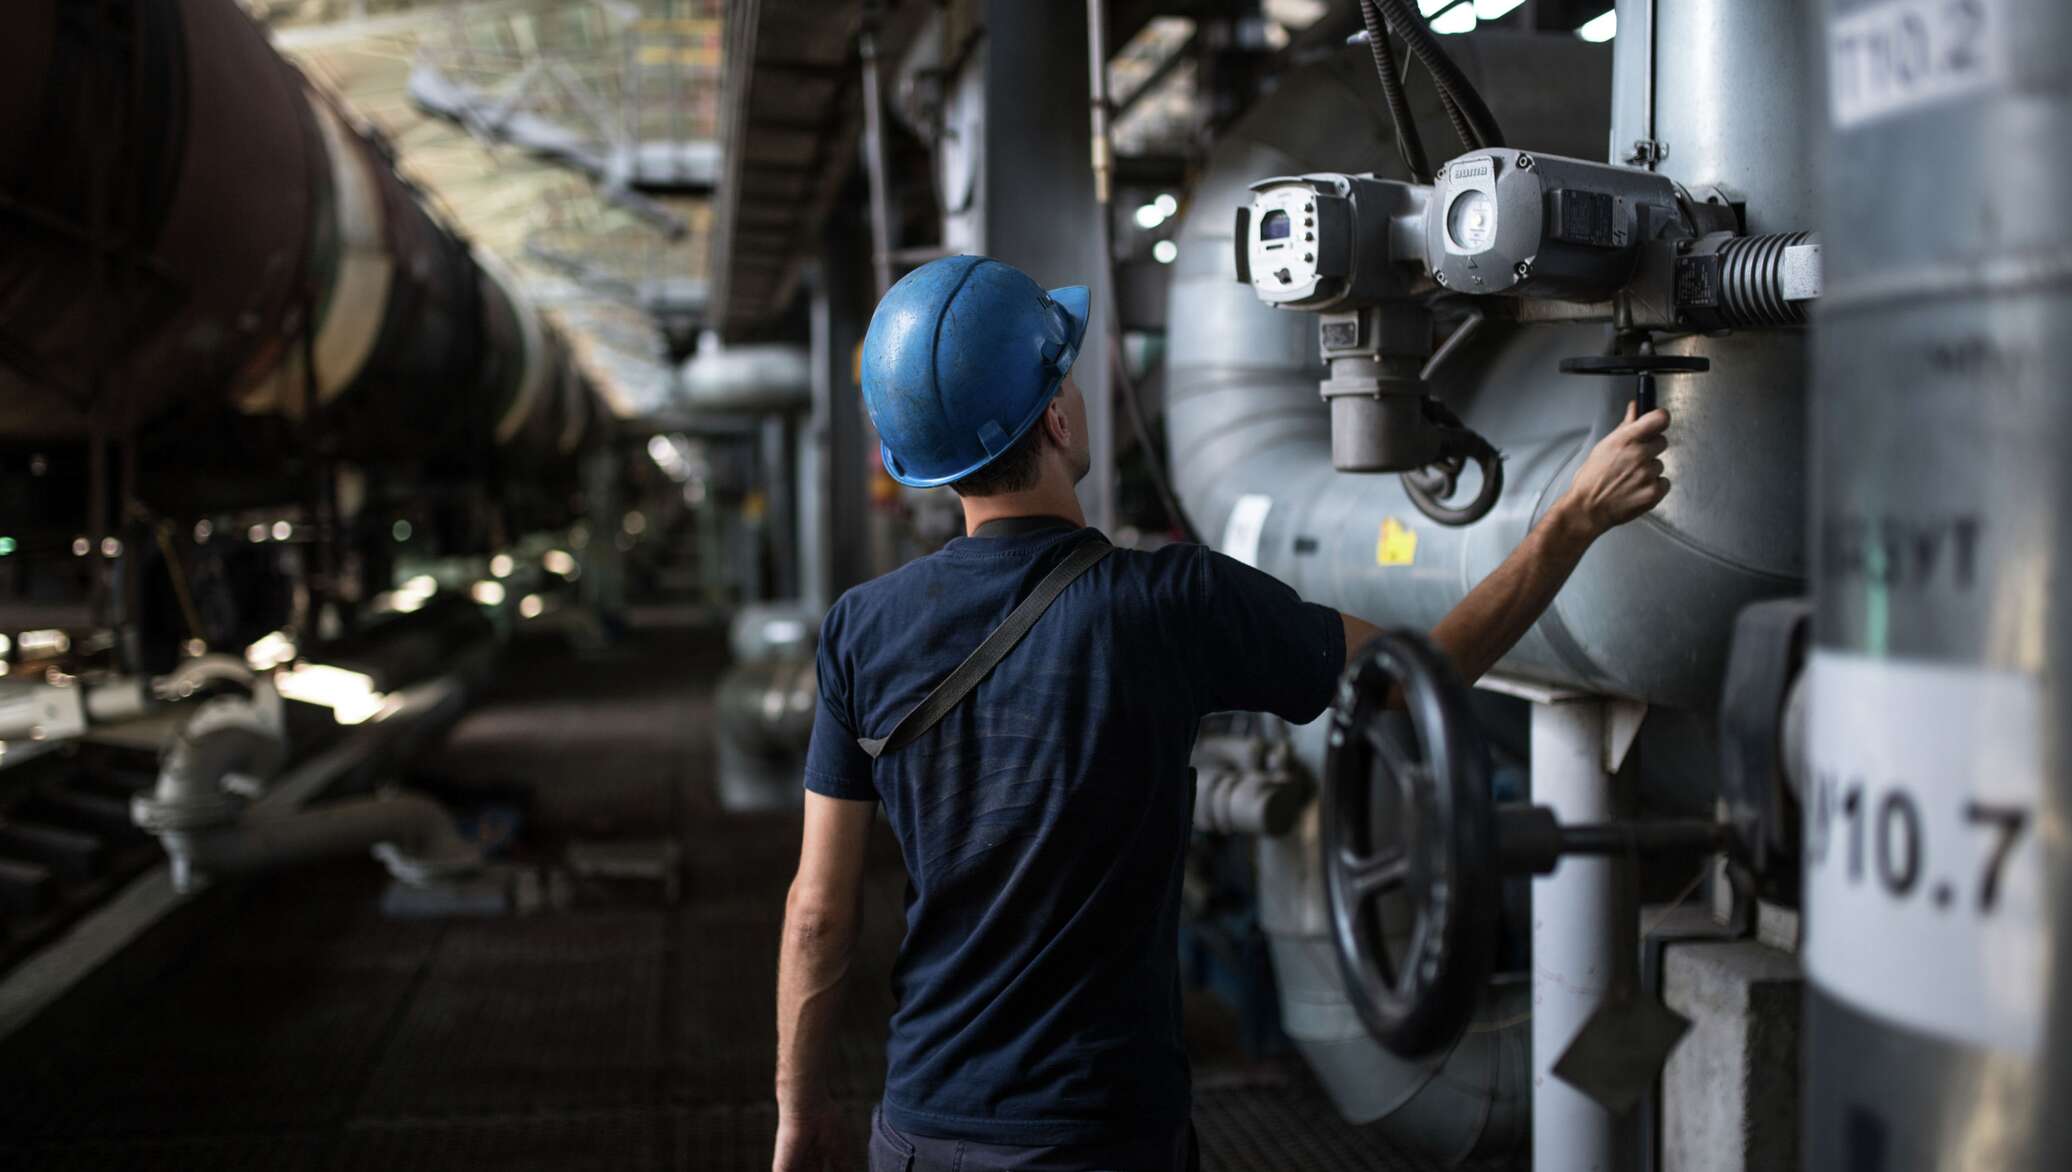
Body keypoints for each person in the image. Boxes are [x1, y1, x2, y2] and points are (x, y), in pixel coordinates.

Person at [773, 255, 1670, 1172]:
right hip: (1093, 1134)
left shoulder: (859, 631)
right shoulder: (1168, 601)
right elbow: (1413, 679)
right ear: (1055, 415)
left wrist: (797, 1118)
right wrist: (1571, 520)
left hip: (921, 1128)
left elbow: (816, 915)